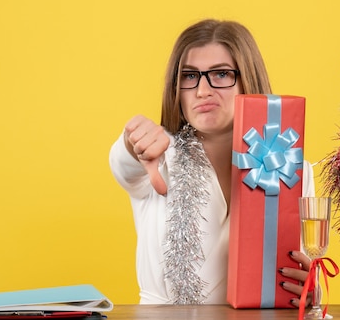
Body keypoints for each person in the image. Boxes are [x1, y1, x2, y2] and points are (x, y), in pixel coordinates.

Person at [109, 18, 315, 306]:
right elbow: (123, 164)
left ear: (248, 79)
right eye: (189, 76)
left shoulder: (291, 166)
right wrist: (132, 143)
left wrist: (306, 290)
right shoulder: (160, 156)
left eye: (220, 74)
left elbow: (298, 269)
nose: (203, 91)